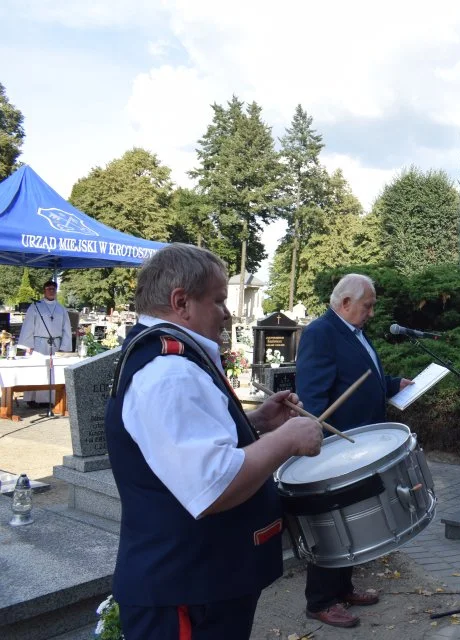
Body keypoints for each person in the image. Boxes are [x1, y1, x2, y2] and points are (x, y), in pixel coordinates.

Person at [104, 244, 323, 639]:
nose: (228, 313)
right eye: (219, 300)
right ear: (181, 302)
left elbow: (188, 447)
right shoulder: (169, 372)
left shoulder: (173, 360)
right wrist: (287, 440)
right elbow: (213, 486)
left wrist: (255, 423)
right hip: (186, 593)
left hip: (200, 584)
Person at [296, 273, 413, 628]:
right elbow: (313, 398)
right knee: (331, 527)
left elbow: (364, 379)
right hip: (337, 450)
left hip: (361, 447)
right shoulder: (321, 333)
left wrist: (394, 384)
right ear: (345, 303)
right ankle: (319, 601)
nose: (372, 313)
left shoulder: (354, 333)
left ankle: (343, 588)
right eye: (368, 306)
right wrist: (322, 449)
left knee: (351, 526)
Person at [18, 279, 73, 406]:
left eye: (53, 289)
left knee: (52, 372)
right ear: (44, 290)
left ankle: (49, 400)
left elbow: (66, 329)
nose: (51, 291)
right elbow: (28, 326)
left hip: (55, 344)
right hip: (38, 344)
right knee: (37, 370)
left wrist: (64, 348)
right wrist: (28, 345)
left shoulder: (61, 309)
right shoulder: (36, 306)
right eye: (49, 288)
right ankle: (32, 399)